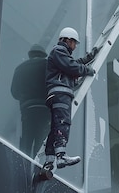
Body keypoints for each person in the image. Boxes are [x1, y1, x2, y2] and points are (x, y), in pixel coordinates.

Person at [43, 27, 98, 171]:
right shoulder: (59, 51)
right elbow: (71, 66)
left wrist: (87, 59)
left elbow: (71, 63)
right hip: (60, 92)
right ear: (68, 40)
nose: (75, 46)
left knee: (55, 127)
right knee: (63, 122)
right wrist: (88, 70)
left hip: (57, 93)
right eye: (74, 43)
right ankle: (61, 156)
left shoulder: (60, 54)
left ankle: (49, 161)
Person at [11, 44, 49, 157]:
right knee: (41, 141)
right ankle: (37, 166)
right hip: (44, 108)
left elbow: (14, 92)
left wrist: (25, 96)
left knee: (27, 140)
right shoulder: (47, 65)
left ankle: (24, 164)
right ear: (43, 55)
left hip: (27, 109)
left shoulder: (19, 68)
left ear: (30, 55)